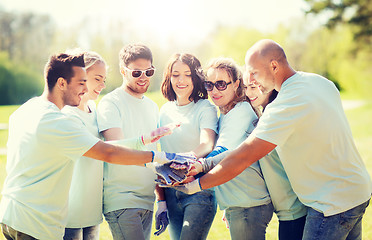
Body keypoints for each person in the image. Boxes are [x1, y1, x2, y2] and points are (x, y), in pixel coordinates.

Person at [176, 39, 372, 240]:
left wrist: (197, 185)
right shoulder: (320, 81)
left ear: (274, 66)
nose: (249, 78)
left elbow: (244, 157)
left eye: (254, 72)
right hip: (358, 190)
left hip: (330, 204)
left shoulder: (283, 106)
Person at [0, 52, 191, 240]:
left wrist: (144, 140)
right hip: (35, 222)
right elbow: (107, 152)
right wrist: (159, 158)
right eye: (81, 83)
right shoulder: (56, 121)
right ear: (61, 83)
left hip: (12, 215)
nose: (85, 89)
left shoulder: (25, 109)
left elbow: (104, 146)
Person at [204, 57, 273, 240]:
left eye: (221, 84)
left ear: (236, 84)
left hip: (248, 205)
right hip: (240, 203)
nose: (214, 91)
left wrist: (191, 167)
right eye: (209, 85)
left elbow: (221, 153)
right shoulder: (226, 113)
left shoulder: (241, 111)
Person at [97, 44, 161, 240]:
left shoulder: (152, 106)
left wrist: (162, 200)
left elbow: (154, 156)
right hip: (122, 199)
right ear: (123, 71)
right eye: (137, 72)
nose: (144, 77)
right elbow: (117, 148)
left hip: (147, 200)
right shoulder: (111, 103)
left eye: (149, 71)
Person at [159, 53, 218, 240]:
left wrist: (183, 158)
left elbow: (207, 143)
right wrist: (161, 200)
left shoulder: (205, 107)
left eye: (187, 74)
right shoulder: (164, 110)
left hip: (199, 191)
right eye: (176, 75)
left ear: (196, 77)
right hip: (170, 192)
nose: (181, 80)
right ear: (169, 78)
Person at [245, 83, 307, 240]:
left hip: (295, 210)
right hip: (286, 211)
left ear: (269, 86)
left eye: (253, 87)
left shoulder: (277, 117)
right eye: (245, 87)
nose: (248, 92)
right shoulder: (265, 117)